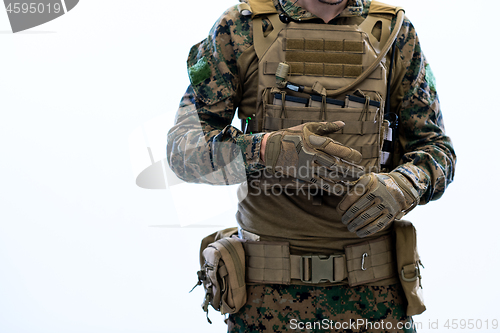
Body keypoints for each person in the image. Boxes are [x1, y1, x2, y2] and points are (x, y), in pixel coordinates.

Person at [167, 0, 456, 332]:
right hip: (265, 305)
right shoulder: (239, 28)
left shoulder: (393, 34)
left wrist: (403, 186)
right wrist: (263, 150)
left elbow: (437, 151)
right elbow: (181, 152)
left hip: (377, 301)